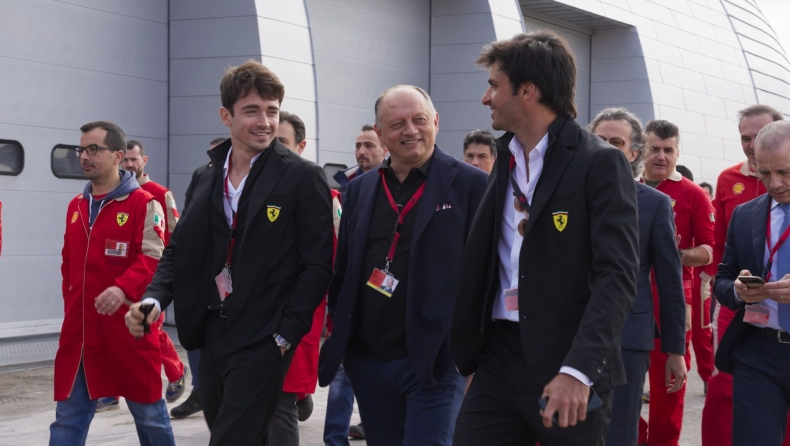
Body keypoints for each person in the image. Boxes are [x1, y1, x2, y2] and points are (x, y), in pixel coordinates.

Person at [124, 60, 335, 445]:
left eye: (272, 111)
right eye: (252, 110)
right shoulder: (205, 176)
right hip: (210, 334)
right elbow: (179, 249)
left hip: (265, 338)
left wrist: (285, 336)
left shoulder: (303, 177)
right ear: (227, 116)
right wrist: (154, 298)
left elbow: (317, 265)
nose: (265, 122)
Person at [451, 31, 638, 446]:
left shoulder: (599, 163)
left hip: (567, 360)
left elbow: (618, 276)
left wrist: (578, 371)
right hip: (499, 355)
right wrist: (473, 358)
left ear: (527, 90)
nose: (486, 98)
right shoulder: (504, 159)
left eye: (494, 86)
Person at [318, 84, 488, 445]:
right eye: (397, 124)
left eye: (419, 120)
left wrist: (474, 355)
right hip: (369, 361)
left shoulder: (473, 185)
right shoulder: (360, 190)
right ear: (380, 133)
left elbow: (487, 275)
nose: (411, 130)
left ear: (436, 122)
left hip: (438, 363)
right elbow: (344, 269)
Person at [50, 121, 174, 445]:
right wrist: (72, 305)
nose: (84, 156)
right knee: (66, 421)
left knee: (150, 419)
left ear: (118, 156)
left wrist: (122, 288)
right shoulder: (76, 207)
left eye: (93, 149)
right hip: (81, 335)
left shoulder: (144, 204)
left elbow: (154, 258)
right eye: (81, 150)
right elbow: (68, 266)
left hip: (128, 331)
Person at [590, 108, 687, 446]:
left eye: (616, 142)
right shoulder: (566, 196)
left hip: (629, 337)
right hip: (570, 332)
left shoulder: (655, 204)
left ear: (634, 153)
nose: (606, 148)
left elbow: (670, 281)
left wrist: (675, 350)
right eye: (599, 140)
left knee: (619, 431)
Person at [702, 104, 786, 446]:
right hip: (758, 351)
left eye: (785, 172)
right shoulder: (745, 214)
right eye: (765, 174)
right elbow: (723, 277)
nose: (775, 184)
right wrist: (737, 290)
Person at [637, 119, 715, 446]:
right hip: (627, 299)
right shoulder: (623, 187)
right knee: (619, 384)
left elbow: (710, 250)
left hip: (671, 303)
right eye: (654, 149)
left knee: (669, 387)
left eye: (668, 150)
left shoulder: (693, 194)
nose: (661, 156)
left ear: (677, 153)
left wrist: (673, 254)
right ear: (641, 150)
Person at [95, 140, 189, 413]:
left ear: (144, 161)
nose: (129, 165)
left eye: (134, 159)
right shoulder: (112, 194)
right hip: (118, 277)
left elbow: (176, 235)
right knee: (110, 333)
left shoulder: (160, 194)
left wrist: (168, 274)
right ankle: (110, 392)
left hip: (151, 276)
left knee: (149, 330)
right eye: (125, 160)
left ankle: (176, 371)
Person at [266, 110, 341, 446]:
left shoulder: (324, 197)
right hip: (251, 318)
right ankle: (299, 395)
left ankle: (299, 395)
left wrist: (332, 322)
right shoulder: (246, 189)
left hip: (296, 317)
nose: (274, 149)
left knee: (279, 404)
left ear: (301, 146)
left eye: (282, 142)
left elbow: (333, 263)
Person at [170, 135, 228, 420]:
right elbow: (183, 232)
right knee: (197, 337)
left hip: (235, 284)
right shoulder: (201, 177)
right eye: (210, 156)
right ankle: (200, 391)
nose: (213, 162)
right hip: (204, 282)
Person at [333, 124, 389, 196]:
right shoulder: (345, 187)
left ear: (385, 151)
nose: (361, 152)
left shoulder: (394, 183)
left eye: (369, 145)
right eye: (358, 146)